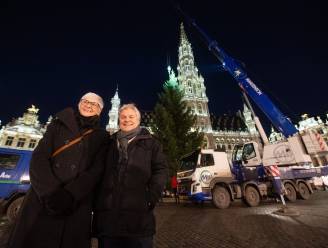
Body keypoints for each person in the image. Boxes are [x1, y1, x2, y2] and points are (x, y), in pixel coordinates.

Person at [7, 92, 109, 248]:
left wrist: (70, 194)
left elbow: (96, 171)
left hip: (76, 202)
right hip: (43, 199)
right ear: (79, 103)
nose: (89, 105)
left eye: (94, 104)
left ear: (100, 110)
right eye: (85, 101)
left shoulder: (102, 137)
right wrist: (50, 192)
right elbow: (39, 158)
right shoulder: (57, 125)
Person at [94, 103, 168, 248]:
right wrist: (99, 200)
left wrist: (151, 197)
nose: (127, 120)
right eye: (123, 117)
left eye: (131, 117)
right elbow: (98, 172)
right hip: (109, 221)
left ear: (138, 120)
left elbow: (161, 170)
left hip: (138, 220)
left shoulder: (151, 143)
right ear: (118, 119)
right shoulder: (109, 143)